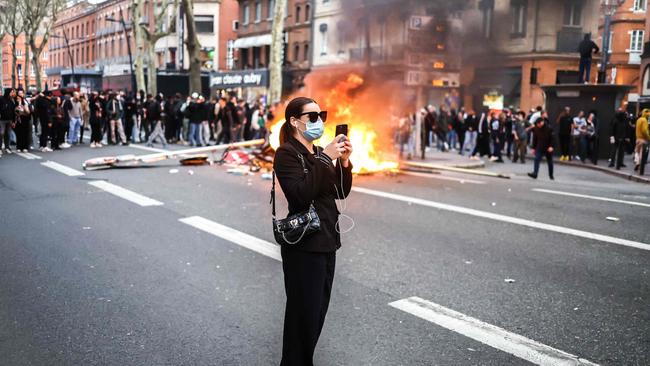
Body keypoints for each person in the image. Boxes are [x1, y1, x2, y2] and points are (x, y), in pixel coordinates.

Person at [273, 97, 353, 366]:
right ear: (295, 121)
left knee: (316, 313)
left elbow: (339, 191)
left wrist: (342, 162)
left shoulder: (317, 152)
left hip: (327, 241)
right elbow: (300, 195)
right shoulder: (286, 153)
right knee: (302, 317)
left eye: (322, 115)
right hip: (305, 246)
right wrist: (326, 158)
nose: (319, 121)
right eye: (312, 116)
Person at [528, 114, 554, 180]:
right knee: (537, 159)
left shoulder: (549, 128)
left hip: (548, 147)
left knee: (550, 162)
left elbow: (553, 138)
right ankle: (535, 174)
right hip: (539, 146)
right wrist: (534, 148)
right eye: (537, 124)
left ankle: (551, 175)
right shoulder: (536, 128)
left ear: (542, 123)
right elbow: (535, 138)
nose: (537, 125)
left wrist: (551, 146)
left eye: (538, 124)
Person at [0, 88, 17, 155]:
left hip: (9, 120)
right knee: (1, 133)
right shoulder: (1, 99)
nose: (12, 93)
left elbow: (13, 111)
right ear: (7, 92)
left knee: (8, 134)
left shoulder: (11, 100)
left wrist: (13, 121)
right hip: (2, 120)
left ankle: (7, 147)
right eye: (11, 92)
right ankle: (0, 148)